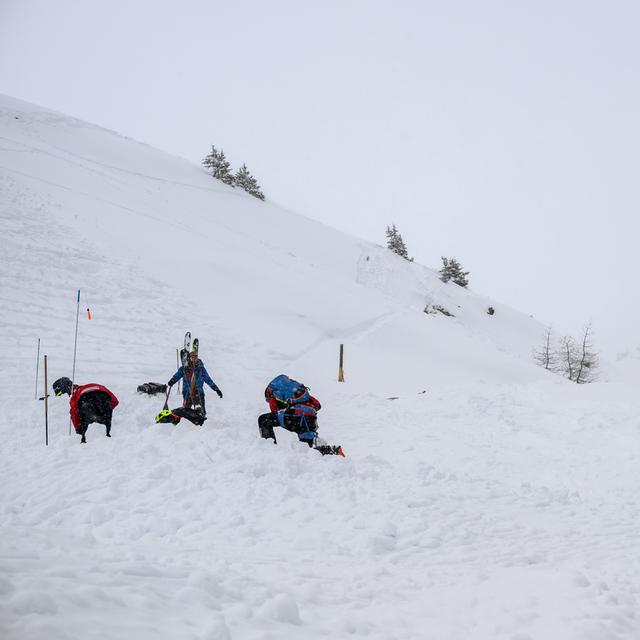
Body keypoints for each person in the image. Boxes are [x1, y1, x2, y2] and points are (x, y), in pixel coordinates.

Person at [258, 374, 344, 456]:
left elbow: (275, 412)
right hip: (310, 419)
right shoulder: (298, 393)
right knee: (308, 449)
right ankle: (333, 451)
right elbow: (318, 405)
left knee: (264, 420)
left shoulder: (273, 394)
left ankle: (269, 450)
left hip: (296, 416)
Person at [52, 377, 119, 444]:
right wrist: (106, 410)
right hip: (104, 400)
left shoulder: (75, 395)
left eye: (60, 392)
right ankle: (107, 432)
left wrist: (79, 431)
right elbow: (115, 401)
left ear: (65, 388)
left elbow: (74, 414)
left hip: (86, 402)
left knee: (87, 431)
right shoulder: (93, 385)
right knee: (105, 428)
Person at [167, 350, 222, 418]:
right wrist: (172, 381)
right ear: (189, 358)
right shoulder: (184, 368)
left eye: (195, 356)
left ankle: (201, 422)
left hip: (199, 393)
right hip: (187, 393)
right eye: (192, 357)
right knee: (186, 411)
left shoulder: (201, 368)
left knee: (201, 412)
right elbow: (177, 375)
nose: (194, 358)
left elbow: (208, 379)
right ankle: (185, 424)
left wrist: (216, 389)